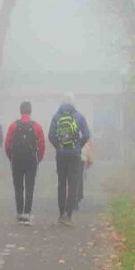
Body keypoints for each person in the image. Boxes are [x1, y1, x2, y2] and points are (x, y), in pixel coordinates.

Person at [49, 95, 91, 225]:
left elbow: (51, 136)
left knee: (62, 183)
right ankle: (69, 215)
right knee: (73, 183)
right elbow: (87, 135)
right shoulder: (79, 116)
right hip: (74, 154)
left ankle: (61, 214)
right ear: (74, 104)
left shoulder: (56, 117)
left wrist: (58, 146)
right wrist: (78, 145)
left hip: (61, 154)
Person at [4, 101, 45, 224]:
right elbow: (42, 145)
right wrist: (39, 158)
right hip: (31, 159)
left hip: (17, 159)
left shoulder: (13, 126)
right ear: (30, 111)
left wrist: (11, 157)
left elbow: (7, 144)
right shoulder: (36, 127)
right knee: (29, 186)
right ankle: (27, 213)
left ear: (20, 111)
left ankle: (19, 213)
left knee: (18, 186)